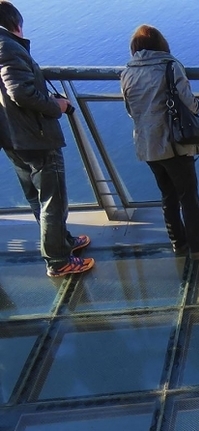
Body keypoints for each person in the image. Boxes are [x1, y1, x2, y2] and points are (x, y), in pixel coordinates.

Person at [0, 1, 94, 277]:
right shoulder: (7, 47)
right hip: (35, 136)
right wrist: (57, 107)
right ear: (16, 24)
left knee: (36, 197)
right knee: (53, 199)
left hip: (12, 136)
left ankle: (62, 242)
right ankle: (58, 260)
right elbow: (20, 92)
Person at [120, 25, 199, 259]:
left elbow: (131, 111)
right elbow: (189, 102)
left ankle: (178, 242)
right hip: (173, 143)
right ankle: (198, 246)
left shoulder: (127, 73)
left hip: (147, 145)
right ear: (161, 45)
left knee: (168, 195)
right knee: (188, 196)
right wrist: (198, 108)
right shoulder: (170, 67)